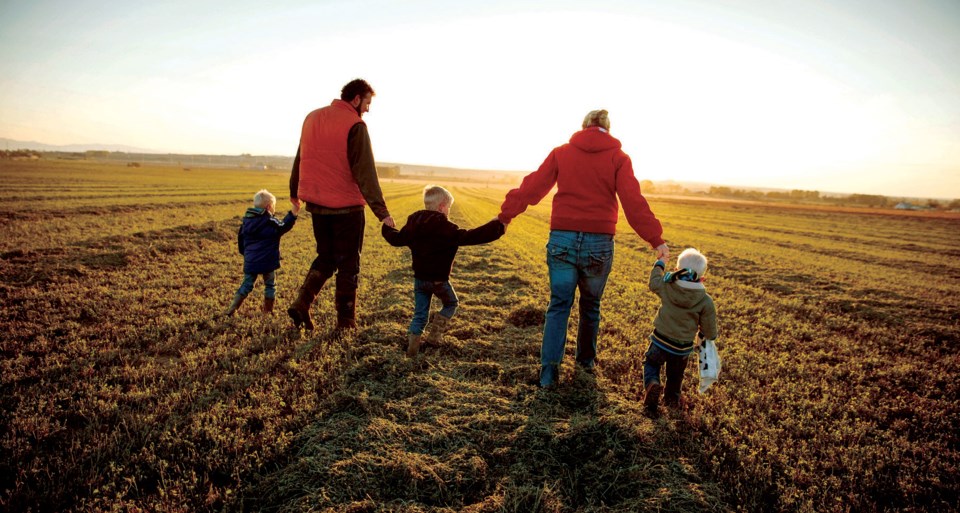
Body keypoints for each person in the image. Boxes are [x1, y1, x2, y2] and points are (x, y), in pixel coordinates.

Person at [498, 109, 669, 388]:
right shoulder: (618, 158)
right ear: (608, 129)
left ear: (584, 126)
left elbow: (533, 187)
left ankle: (549, 374)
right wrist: (656, 239)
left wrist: (506, 215)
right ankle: (585, 367)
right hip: (598, 243)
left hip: (562, 240)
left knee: (559, 306)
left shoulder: (561, 153)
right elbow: (633, 201)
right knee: (591, 307)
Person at [287, 78, 396, 331]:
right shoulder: (356, 125)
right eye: (367, 103)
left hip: (318, 205)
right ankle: (345, 324)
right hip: (347, 207)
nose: (368, 109)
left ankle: (302, 303)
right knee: (349, 265)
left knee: (325, 257)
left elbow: (300, 158)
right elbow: (365, 171)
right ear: (356, 99)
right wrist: (382, 212)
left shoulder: (312, 117)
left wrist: (295, 193)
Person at [382, 185, 505, 356]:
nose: (449, 211)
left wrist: (387, 227)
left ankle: (412, 349)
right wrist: (497, 227)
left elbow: (396, 239)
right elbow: (471, 236)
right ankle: (434, 336)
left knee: (420, 315)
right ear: (442, 207)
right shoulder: (447, 228)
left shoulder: (414, 223)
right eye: (448, 207)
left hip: (420, 281)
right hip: (439, 281)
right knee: (451, 303)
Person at [643, 248, 718, 414]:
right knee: (675, 377)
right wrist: (709, 336)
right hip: (681, 348)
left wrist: (660, 263)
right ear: (702, 277)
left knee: (651, 363)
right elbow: (710, 330)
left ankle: (652, 383)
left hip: (660, 340)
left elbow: (654, 282)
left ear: (677, 270)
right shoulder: (705, 301)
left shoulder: (668, 285)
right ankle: (671, 401)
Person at [225, 189, 299, 316]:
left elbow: (241, 241)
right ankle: (268, 311)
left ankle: (231, 310)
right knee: (270, 285)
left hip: (251, 261)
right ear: (269, 207)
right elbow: (283, 226)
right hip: (268, 261)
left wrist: (248, 256)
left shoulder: (246, 222)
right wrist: (294, 212)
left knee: (246, 285)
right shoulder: (270, 221)